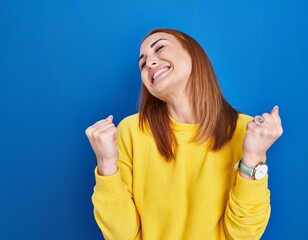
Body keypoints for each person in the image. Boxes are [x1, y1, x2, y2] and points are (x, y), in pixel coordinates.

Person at [85, 28, 283, 240]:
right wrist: (106, 163)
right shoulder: (131, 131)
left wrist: (252, 158)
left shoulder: (245, 131)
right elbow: (122, 235)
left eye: (159, 48)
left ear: (192, 52)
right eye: (142, 64)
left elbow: (243, 235)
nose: (149, 63)